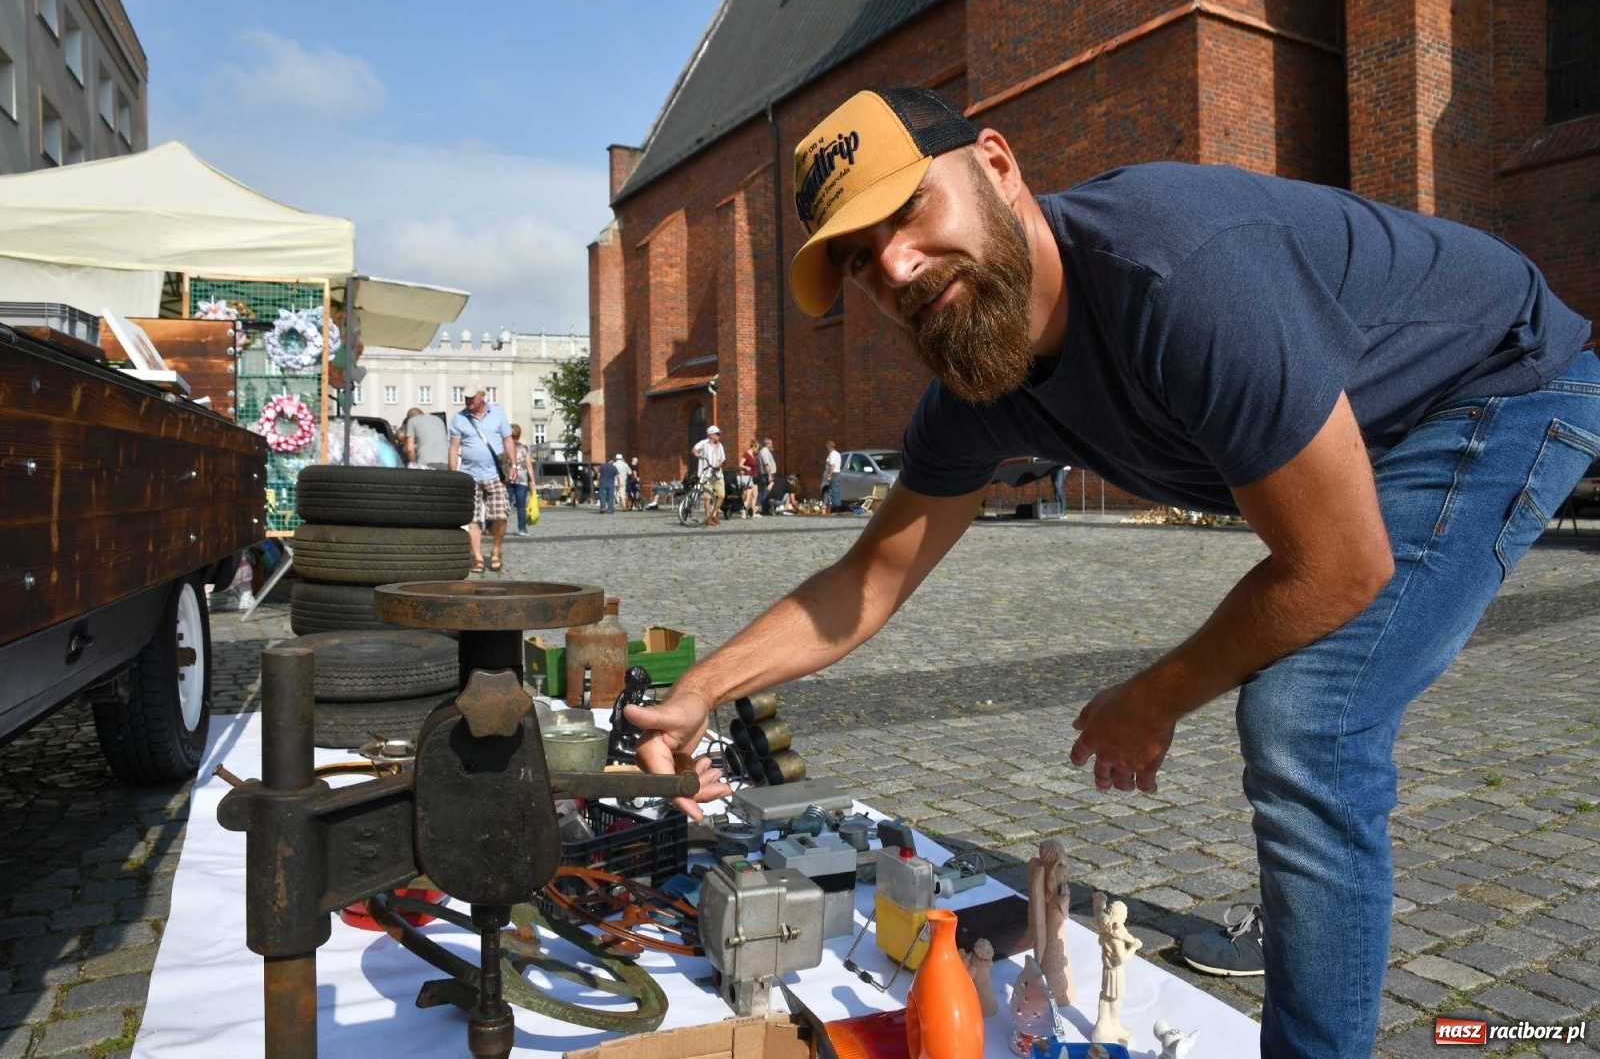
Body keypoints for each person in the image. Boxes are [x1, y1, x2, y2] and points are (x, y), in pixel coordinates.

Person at [624, 86, 1598, 1058]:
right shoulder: (980, 378)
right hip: (1363, 423)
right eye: (857, 258)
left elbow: (1339, 564)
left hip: (1492, 389)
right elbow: (867, 581)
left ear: (998, 167)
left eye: (908, 209)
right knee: (1305, 694)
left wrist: (1157, 694)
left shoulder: (1175, 279)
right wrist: (700, 688)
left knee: (1311, 717)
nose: (896, 265)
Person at [448, 389, 518, 573]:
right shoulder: (459, 418)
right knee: (473, 519)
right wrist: (453, 474)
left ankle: (496, 550)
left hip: (495, 474)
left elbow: (508, 440)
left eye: (472, 397)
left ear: (482, 396)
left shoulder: (497, 413)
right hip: (469, 475)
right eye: (466, 398)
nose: (469, 401)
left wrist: (514, 465)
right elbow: (454, 448)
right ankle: (478, 558)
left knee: (501, 515)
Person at [690, 425, 727, 526]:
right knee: (707, 497)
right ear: (711, 435)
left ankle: (714, 514)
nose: (719, 436)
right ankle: (707, 518)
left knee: (721, 495)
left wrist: (717, 466)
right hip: (706, 474)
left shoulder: (720, 445)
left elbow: (723, 460)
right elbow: (693, 449)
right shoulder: (704, 443)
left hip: (718, 474)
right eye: (717, 434)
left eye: (719, 434)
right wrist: (696, 453)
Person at [507, 424, 533, 535]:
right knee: (521, 506)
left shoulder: (505, 447)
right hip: (522, 479)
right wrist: (533, 481)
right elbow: (529, 466)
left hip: (508, 478)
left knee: (504, 506)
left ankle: (498, 528)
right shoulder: (524, 448)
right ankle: (522, 529)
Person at [758, 438, 779, 514]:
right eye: (771, 444)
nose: (772, 445)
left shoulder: (766, 451)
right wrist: (770, 475)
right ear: (767, 444)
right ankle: (765, 510)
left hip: (767, 474)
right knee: (766, 492)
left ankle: (766, 509)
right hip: (767, 475)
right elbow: (766, 464)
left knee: (766, 491)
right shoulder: (764, 452)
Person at [821, 440, 842, 511]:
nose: (827, 449)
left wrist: (829, 475)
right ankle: (837, 505)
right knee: (836, 490)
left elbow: (832, 465)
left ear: (829, 446)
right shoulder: (837, 454)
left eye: (827, 447)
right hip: (837, 473)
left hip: (834, 474)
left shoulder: (832, 454)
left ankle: (836, 506)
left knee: (833, 490)